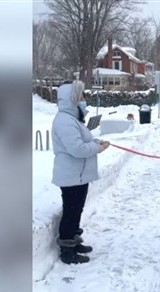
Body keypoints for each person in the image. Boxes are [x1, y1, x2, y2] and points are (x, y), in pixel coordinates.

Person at [51, 81, 111, 264]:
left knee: (76, 210)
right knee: (71, 211)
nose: (84, 100)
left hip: (79, 175)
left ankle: (74, 242)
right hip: (71, 175)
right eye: (81, 96)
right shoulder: (64, 121)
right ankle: (67, 251)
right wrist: (97, 148)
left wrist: (97, 142)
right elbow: (76, 148)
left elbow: (84, 140)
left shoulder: (73, 119)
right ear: (72, 99)